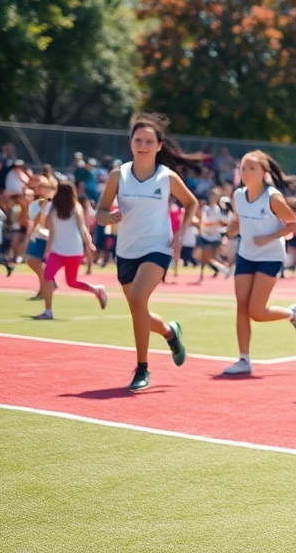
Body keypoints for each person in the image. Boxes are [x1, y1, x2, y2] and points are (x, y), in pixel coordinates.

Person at [95, 113, 197, 392]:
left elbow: (191, 203)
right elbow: (100, 212)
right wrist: (109, 217)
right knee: (139, 311)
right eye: (138, 140)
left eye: (149, 141)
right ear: (130, 143)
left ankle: (142, 369)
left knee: (139, 298)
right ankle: (170, 332)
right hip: (127, 250)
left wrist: (180, 234)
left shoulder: (167, 177)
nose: (143, 145)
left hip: (157, 249)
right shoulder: (119, 175)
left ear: (159, 145)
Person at [220, 152, 296, 375]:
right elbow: (238, 223)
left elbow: (292, 224)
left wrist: (269, 238)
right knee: (241, 306)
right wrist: (229, 231)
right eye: (242, 168)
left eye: (251, 168)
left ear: (264, 173)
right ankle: (244, 360)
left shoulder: (273, 198)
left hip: (271, 256)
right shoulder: (238, 196)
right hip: (246, 255)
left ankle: (292, 314)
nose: (245, 172)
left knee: (256, 312)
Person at [34, 180, 109, 319]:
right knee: (50, 276)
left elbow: (81, 229)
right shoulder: (58, 208)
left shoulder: (74, 208)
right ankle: (48, 310)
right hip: (64, 250)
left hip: (69, 250)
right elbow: (53, 229)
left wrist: (88, 244)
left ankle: (97, 290)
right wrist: (88, 244)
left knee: (67, 281)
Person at [195, 188, 228, 281]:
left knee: (213, 258)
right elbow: (204, 221)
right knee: (204, 257)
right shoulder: (205, 208)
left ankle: (224, 269)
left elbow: (224, 221)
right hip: (206, 235)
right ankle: (201, 276)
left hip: (215, 236)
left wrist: (212, 223)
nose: (212, 198)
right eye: (211, 195)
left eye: (214, 196)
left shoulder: (220, 209)